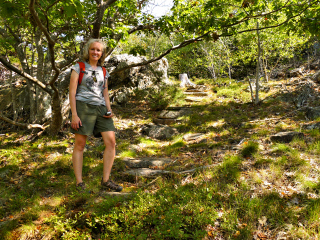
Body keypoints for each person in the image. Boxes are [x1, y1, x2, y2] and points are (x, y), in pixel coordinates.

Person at [69, 38, 122, 192]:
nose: (95, 52)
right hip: (83, 107)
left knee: (111, 142)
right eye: (93, 49)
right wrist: (74, 115)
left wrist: (109, 109)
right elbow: (72, 92)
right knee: (80, 145)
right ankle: (79, 183)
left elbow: (105, 93)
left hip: (100, 108)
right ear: (88, 51)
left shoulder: (104, 71)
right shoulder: (78, 67)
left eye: (98, 50)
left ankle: (106, 181)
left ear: (102, 53)